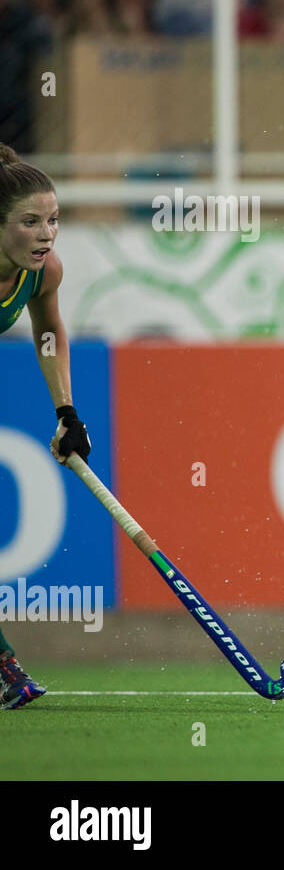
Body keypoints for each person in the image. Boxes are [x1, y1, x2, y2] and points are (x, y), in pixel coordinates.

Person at [0, 144, 91, 708]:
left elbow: (48, 335)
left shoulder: (42, 273)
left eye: (52, 220)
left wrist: (67, 414)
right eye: (30, 222)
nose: (46, 234)